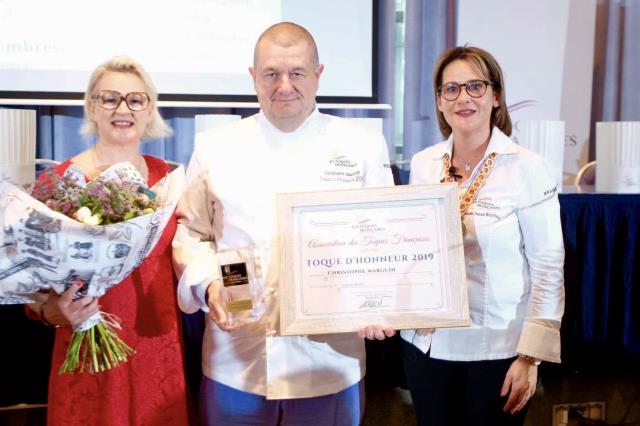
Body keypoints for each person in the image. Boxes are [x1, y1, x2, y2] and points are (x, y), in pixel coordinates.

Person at [172, 22, 394, 425]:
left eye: (297, 73)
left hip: (329, 363)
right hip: (234, 362)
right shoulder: (216, 146)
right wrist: (210, 283)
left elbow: (382, 241)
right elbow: (193, 235)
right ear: (254, 77)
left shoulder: (361, 145)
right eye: (271, 74)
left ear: (319, 75)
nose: (284, 86)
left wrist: (382, 300)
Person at [401, 46, 565, 426]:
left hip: (496, 351)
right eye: (451, 89)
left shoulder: (527, 168)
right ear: (439, 102)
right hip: (425, 346)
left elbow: (548, 266)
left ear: (496, 96)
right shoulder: (424, 165)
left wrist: (530, 357)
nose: (463, 98)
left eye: (475, 86)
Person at [28, 56, 191, 426]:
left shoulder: (172, 180)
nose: (123, 109)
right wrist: (53, 312)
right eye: (110, 98)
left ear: (150, 109)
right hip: (87, 348)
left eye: (136, 99)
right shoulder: (57, 182)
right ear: (91, 106)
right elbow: (31, 287)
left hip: (157, 348)